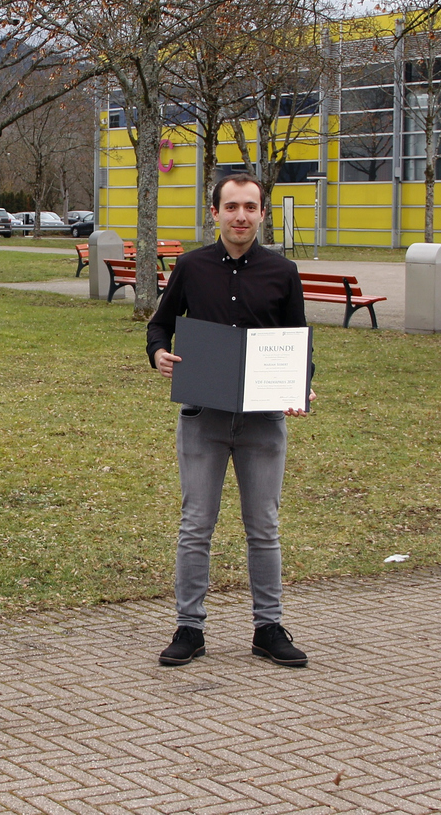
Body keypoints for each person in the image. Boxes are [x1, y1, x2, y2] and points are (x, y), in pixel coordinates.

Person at [146, 173, 312, 669]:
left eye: (250, 207)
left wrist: (301, 384)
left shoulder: (283, 271)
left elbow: (298, 341)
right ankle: (189, 628)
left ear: (262, 213)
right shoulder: (191, 267)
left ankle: (268, 627)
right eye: (231, 206)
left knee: (264, 526)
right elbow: (161, 323)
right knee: (196, 525)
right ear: (214, 212)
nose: (241, 216)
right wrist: (157, 352)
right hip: (204, 417)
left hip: (263, 421)